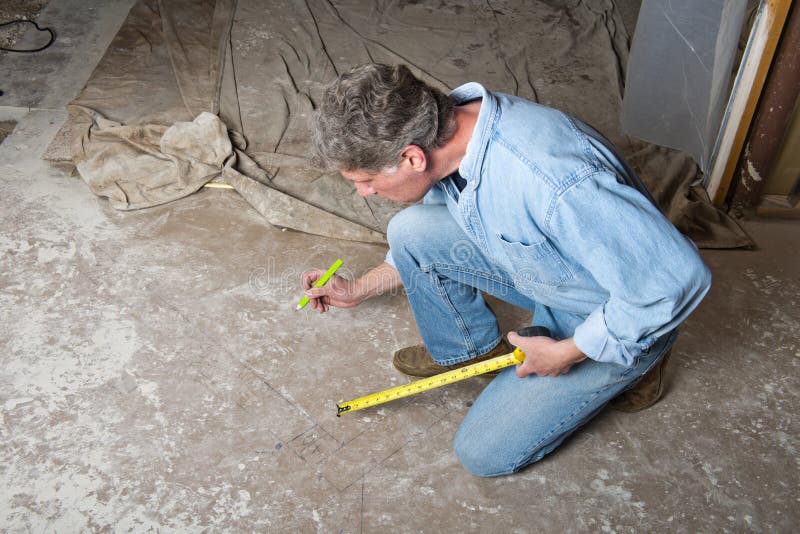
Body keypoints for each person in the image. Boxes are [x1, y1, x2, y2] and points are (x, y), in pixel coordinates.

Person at [303, 63, 711, 477]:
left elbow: (675, 281)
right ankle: (470, 350)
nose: (363, 192)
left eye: (367, 179)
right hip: (549, 268)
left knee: (481, 453)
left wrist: (566, 352)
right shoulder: (451, 127)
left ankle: (638, 363)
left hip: (606, 308)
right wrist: (359, 289)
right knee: (409, 230)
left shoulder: (553, 182)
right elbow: (437, 231)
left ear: (412, 157)